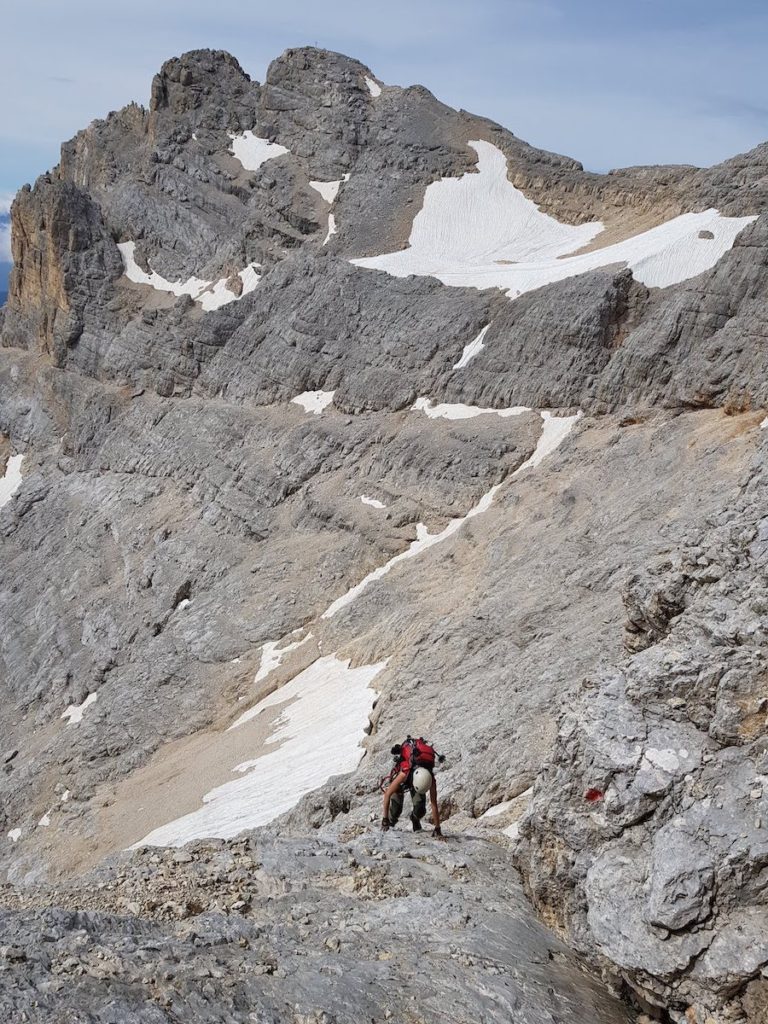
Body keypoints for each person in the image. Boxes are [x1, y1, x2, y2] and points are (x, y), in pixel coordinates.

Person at [380, 736, 443, 838]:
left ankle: (415, 819)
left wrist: (437, 828)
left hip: (416, 779)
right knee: (396, 810)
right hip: (404, 780)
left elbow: (433, 803)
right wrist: (385, 819)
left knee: (420, 809)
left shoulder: (429, 778)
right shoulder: (404, 772)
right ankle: (390, 823)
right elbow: (388, 793)